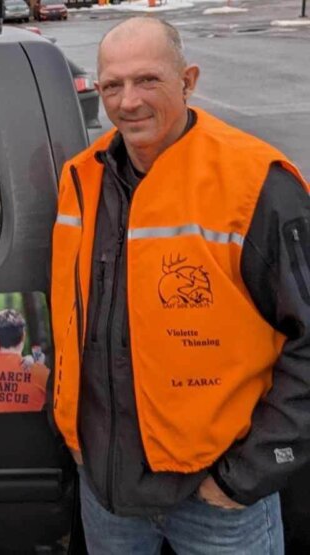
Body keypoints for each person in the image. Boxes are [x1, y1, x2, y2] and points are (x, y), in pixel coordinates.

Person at [51, 16, 310, 553]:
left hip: (215, 501)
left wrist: (244, 478)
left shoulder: (255, 183)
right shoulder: (81, 178)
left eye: (148, 80)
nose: (128, 102)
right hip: (107, 493)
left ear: (188, 80)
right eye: (112, 86)